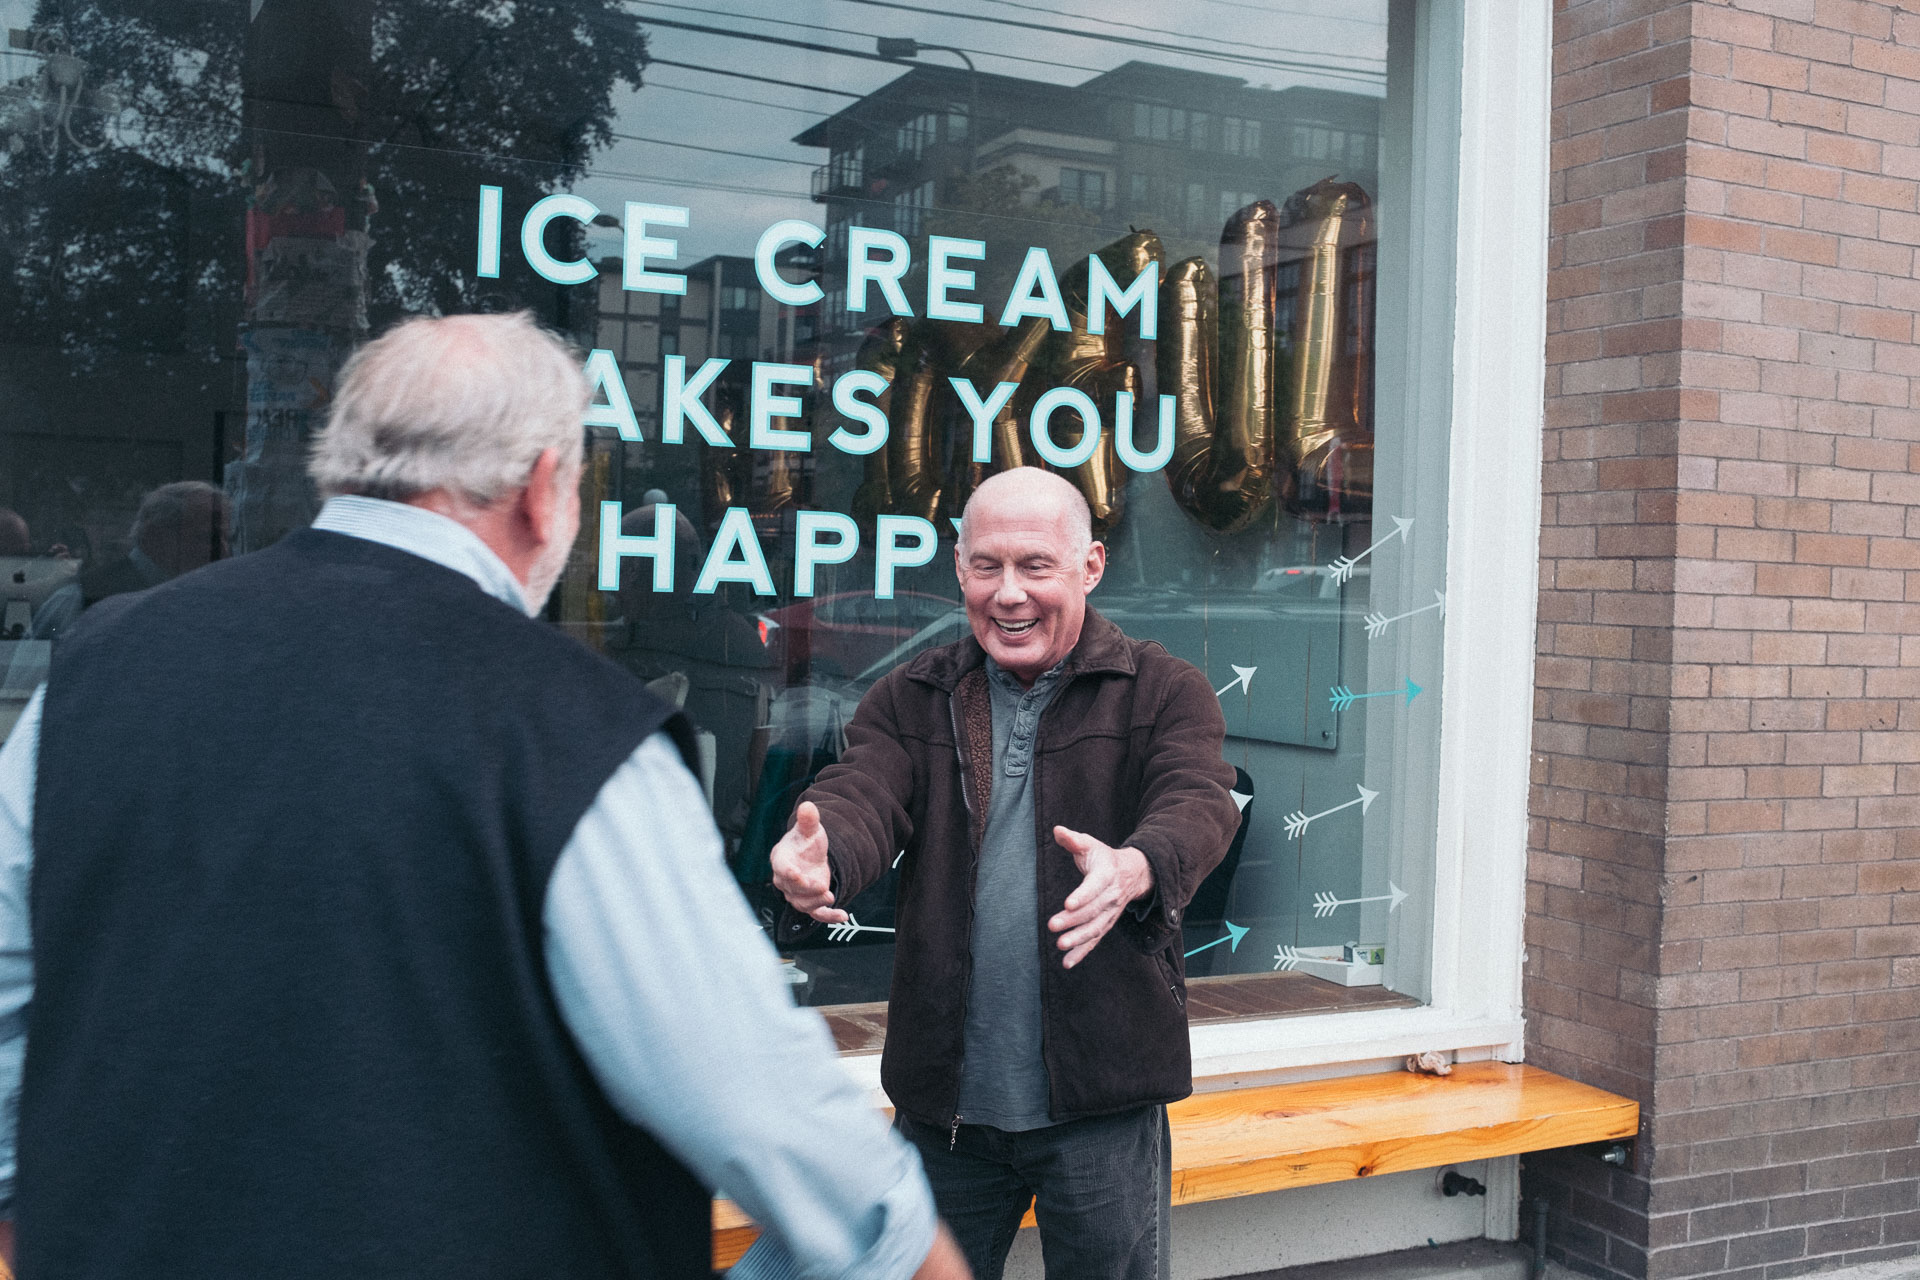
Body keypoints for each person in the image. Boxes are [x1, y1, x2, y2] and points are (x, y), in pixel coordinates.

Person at [0, 312, 967, 1280]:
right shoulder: (573, 731)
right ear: (544, 489)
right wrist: (903, 1249)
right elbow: (768, 1112)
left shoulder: (94, 669)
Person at [770, 466, 1242, 1280]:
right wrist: (824, 857)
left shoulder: (1163, 692)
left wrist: (1136, 866)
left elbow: (1198, 801)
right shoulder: (909, 697)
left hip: (1102, 1107)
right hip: (945, 1110)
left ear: (1089, 568)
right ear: (958, 568)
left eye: (1035, 567)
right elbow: (862, 796)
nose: (1008, 594)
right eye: (986, 566)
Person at [28, 480, 231, 639]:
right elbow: (29, 682)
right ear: (156, 536)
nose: (223, 550)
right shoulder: (79, 599)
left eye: (226, 539)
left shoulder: (206, 603)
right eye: (207, 538)